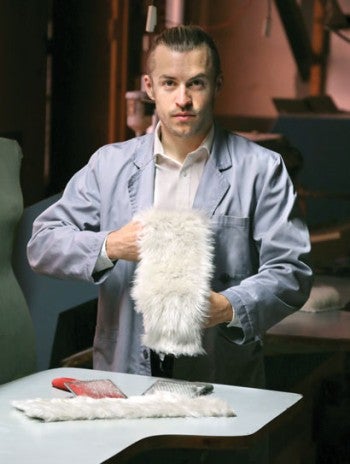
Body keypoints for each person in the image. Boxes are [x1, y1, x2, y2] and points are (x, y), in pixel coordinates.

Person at [27, 25, 312, 462]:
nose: (183, 99)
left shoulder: (261, 169)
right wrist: (110, 245)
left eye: (196, 83)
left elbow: (291, 271)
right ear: (149, 88)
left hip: (222, 379)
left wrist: (229, 307)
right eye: (170, 83)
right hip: (125, 376)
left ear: (216, 84)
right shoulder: (110, 166)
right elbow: (42, 243)